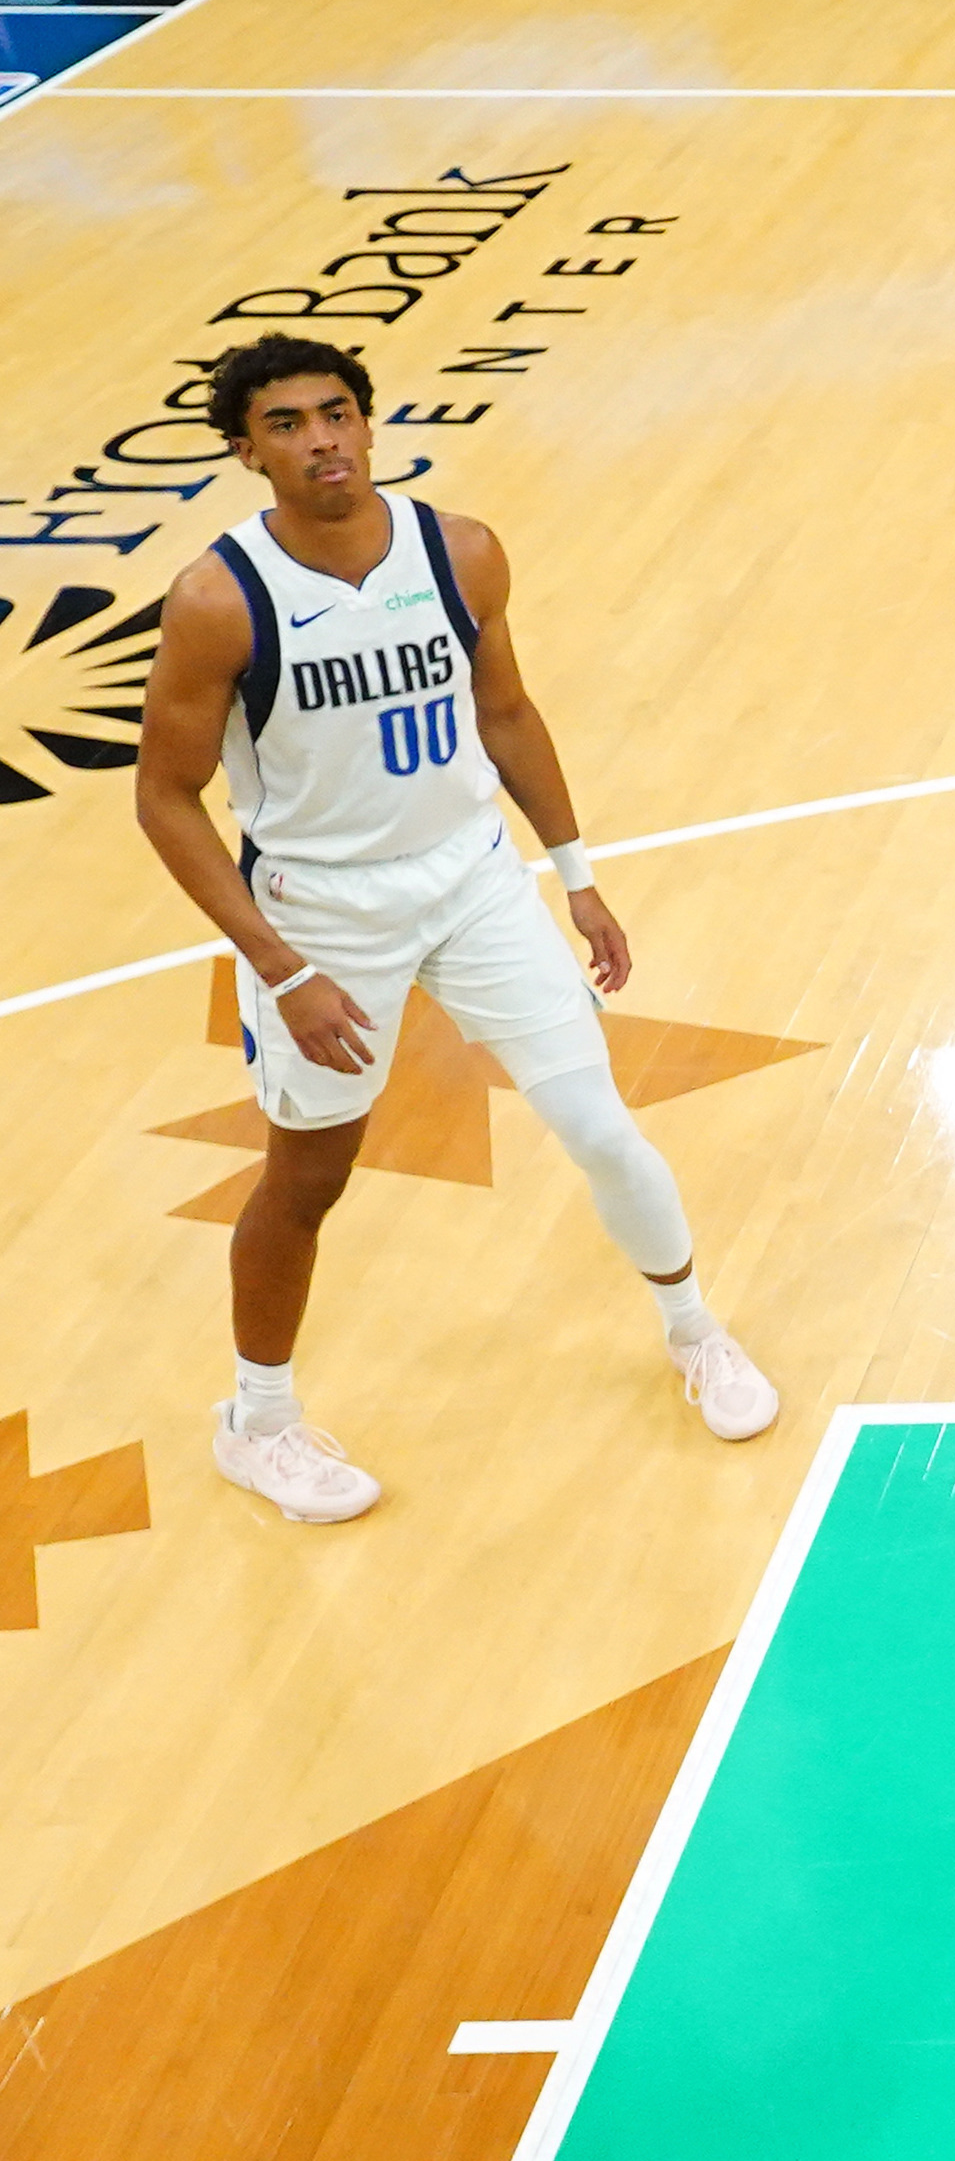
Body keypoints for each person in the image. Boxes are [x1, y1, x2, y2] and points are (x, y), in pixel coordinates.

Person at [127, 338, 778, 1528]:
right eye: (286, 424)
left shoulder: (459, 550)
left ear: (370, 424)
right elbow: (162, 798)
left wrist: (577, 878)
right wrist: (285, 968)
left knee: (601, 1127)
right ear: (245, 450)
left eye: (337, 414)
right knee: (305, 1180)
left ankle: (696, 1332)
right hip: (321, 914)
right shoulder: (219, 599)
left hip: (475, 880)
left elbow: (508, 712)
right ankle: (257, 1424)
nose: (321, 439)